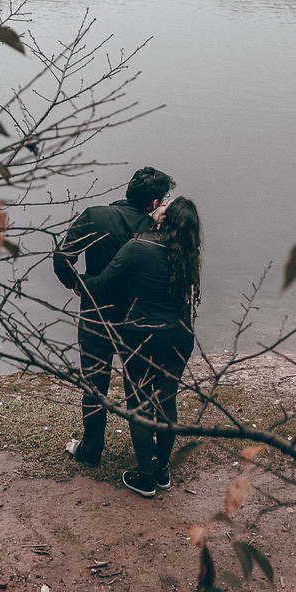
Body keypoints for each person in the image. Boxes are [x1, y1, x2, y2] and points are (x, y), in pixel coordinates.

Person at [53, 167, 175, 467]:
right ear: (154, 202)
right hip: (138, 320)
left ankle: (91, 449)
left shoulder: (94, 216)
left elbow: (62, 258)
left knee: (94, 385)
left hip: (96, 315)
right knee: (141, 388)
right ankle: (147, 452)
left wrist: (78, 285)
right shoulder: (156, 228)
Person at [82, 197, 201, 497]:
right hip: (180, 336)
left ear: (164, 218)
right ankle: (162, 471)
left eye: (164, 206)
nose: (157, 207)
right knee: (167, 402)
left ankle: (145, 477)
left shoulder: (139, 247)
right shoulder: (186, 253)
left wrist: (78, 280)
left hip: (142, 336)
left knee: (139, 404)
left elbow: (101, 285)